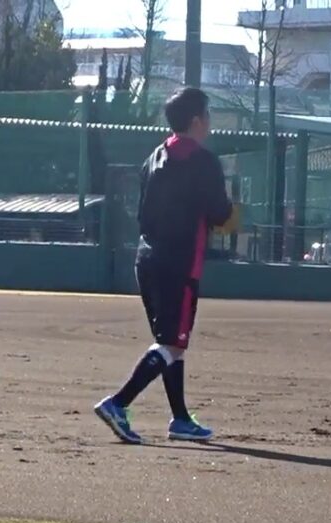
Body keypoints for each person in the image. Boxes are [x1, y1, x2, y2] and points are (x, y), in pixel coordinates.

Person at [93, 87, 234, 444]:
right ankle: (118, 403)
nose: (210, 123)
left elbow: (143, 214)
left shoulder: (154, 157)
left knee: (170, 343)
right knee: (171, 343)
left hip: (147, 258)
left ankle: (181, 419)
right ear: (197, 121)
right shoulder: (204, 161)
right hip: (180, 264)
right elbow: (221, 213)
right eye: (208, 116)